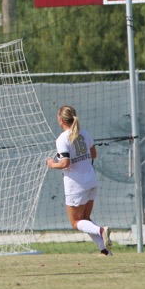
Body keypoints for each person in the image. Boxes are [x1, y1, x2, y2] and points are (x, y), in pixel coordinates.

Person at [46, 105, 112, 255]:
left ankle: (101, 230)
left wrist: (51, 164)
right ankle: (105, 251)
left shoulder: (62, 138)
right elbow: (94, 154)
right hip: (91, 181)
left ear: (61, 120)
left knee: (76, 222)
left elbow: (65, 163)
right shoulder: (84, 133)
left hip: (76, 185)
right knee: (85, 219)